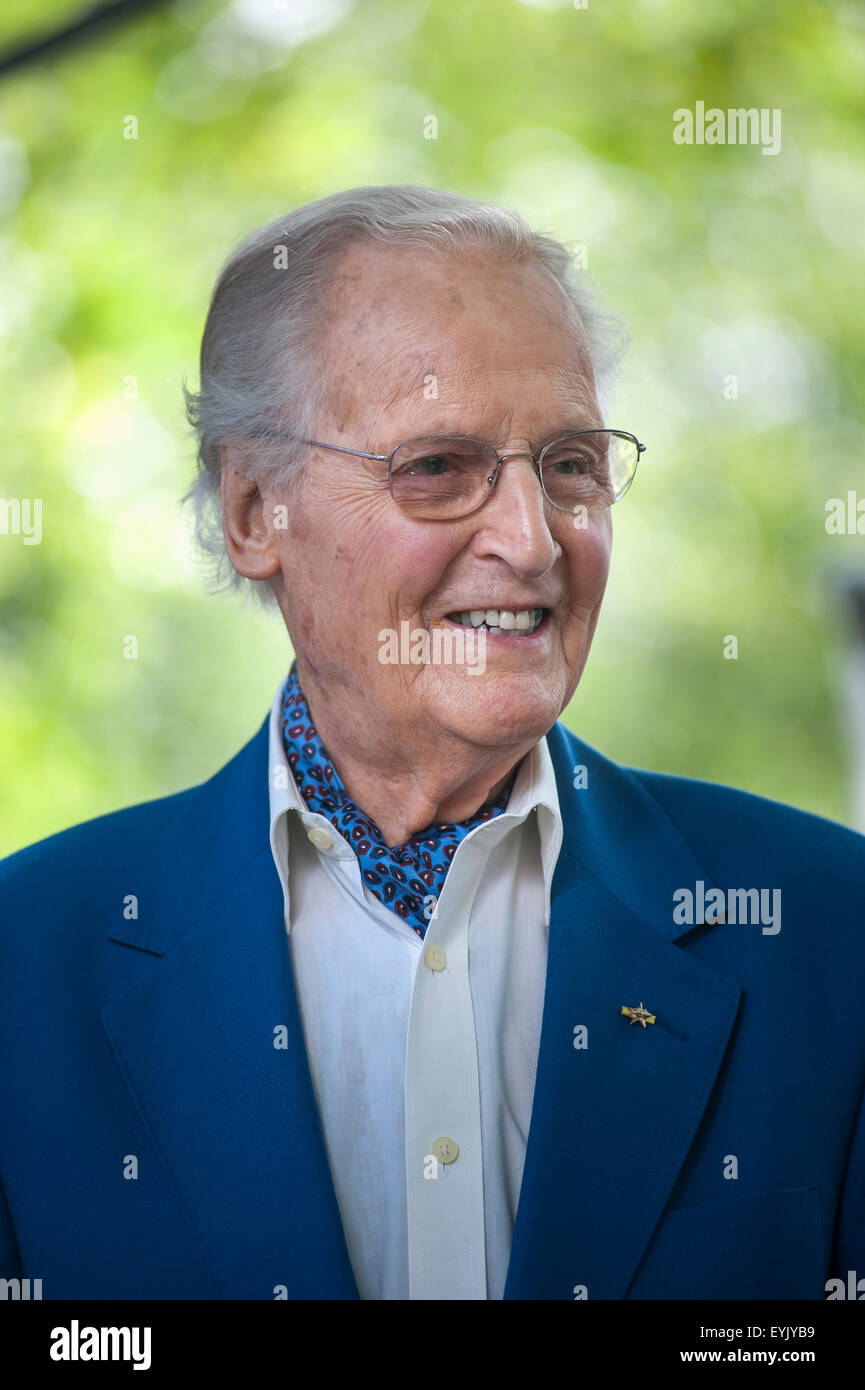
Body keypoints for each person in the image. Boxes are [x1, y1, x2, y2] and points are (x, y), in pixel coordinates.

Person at [1, 185, 863, 1301]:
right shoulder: (24, 963)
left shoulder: (831, 924)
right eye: (437, 467)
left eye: (569, 463)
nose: (531, 538)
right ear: (256, 511)